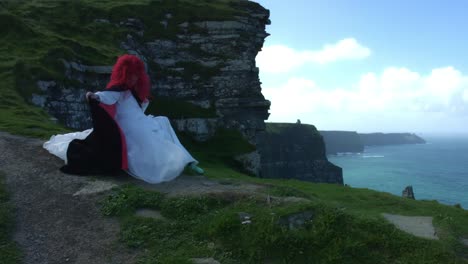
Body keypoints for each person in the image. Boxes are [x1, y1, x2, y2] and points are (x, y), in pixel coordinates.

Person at [43, 54, 204, 183]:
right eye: (131, 75)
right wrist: (94, 96)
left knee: (163, 122)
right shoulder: (119, 91)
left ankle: (188, 161)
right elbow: (106, 96)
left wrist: (143, 101)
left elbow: (136, 110)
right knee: (148, 144)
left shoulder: (132, 93)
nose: (134, 78)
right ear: (124, 74)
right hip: (128, 128)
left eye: (136, 75)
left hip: (141, 123)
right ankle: (180, 162)